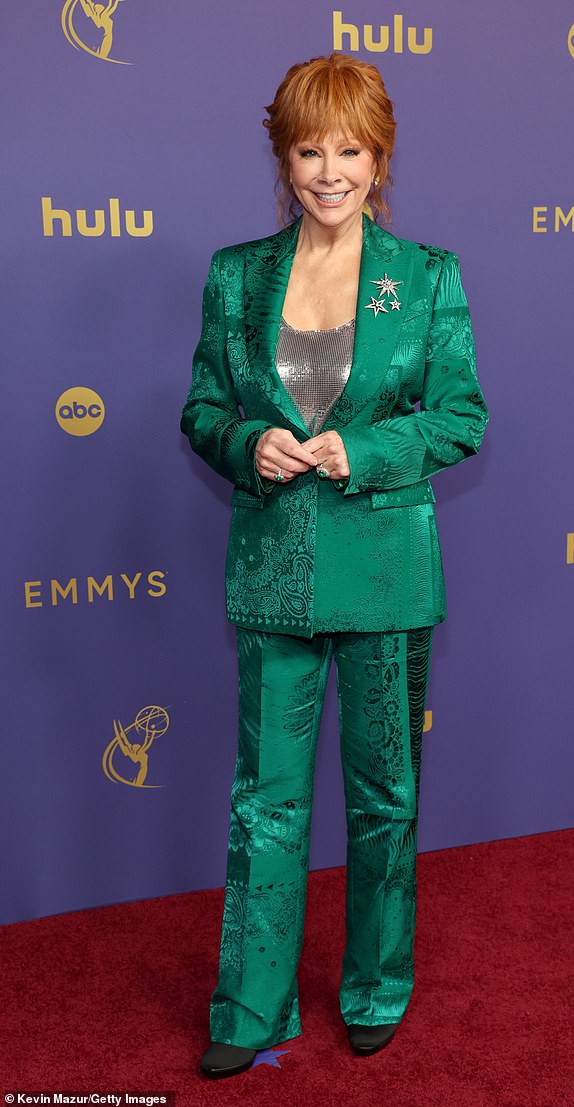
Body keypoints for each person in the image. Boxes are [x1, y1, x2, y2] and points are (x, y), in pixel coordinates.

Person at [180, 52, 488, 1080]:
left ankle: (374, 987)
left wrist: (368, 450)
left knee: (382, 796)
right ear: (282, 155)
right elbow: (202, 409)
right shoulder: (236, 274)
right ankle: (250, 1004)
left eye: (347, 149)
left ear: (378, 155)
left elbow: (461, 418)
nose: (327, 170)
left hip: (386, 571)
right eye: (308, 149)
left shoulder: (428, 275)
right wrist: (244, 446)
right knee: (263, 798)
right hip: (272, 567)